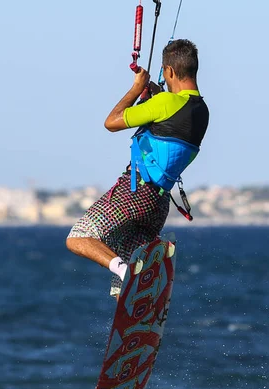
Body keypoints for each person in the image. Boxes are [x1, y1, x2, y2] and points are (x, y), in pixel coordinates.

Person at [66, 39, 209, 297]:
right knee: (120, 259)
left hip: (134, 194)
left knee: (79, 238)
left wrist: (137, 88)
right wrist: (154, 94)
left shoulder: (164, 103)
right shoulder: (202, 111)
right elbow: (172, 123)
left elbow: (112, 122)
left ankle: (125, 271)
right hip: (157, 205)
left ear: (170, 72)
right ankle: (135, 282)